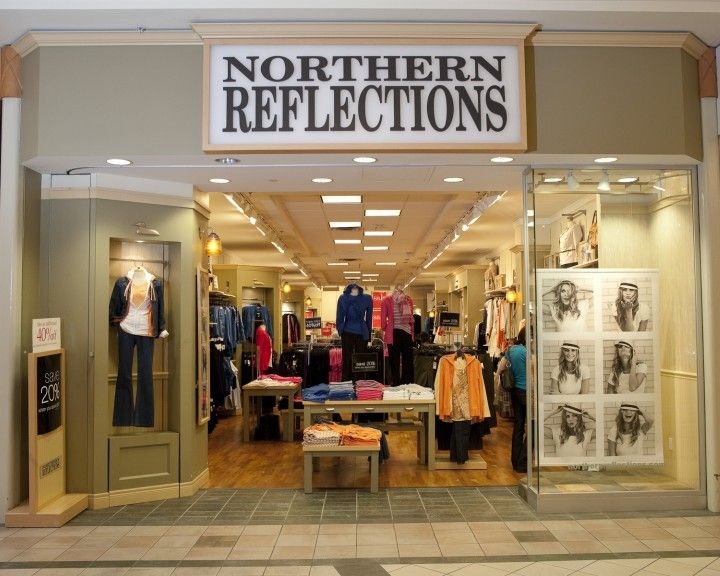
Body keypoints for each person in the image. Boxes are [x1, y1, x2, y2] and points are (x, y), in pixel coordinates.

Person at [497, 327, 527, 472]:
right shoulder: (528, 352)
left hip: (515, 390)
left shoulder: (511, 350)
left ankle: (516, 461)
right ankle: (523, 461)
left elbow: (500, 370)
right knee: (534, 426)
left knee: (518, 426)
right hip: (528, 392)